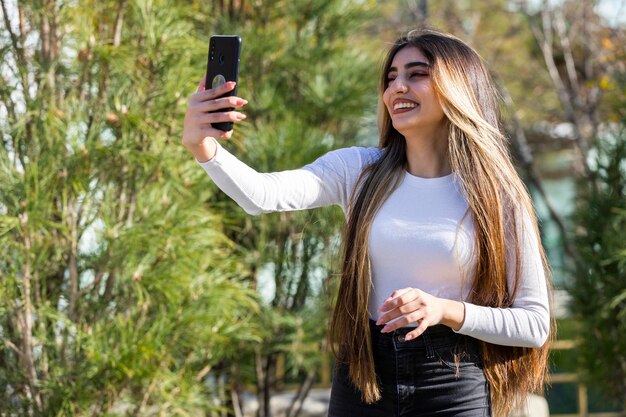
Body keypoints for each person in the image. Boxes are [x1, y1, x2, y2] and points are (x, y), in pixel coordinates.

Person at [182, 29, 552, 417]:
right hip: (364, 377)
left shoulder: (498, 196)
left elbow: (533, 323)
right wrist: (205, 148)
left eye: (417, 74)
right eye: (391, 77)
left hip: (453, 382)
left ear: (459, 87)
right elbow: (260, 195)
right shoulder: (359, 170)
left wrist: (444, 309)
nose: (397, 87)